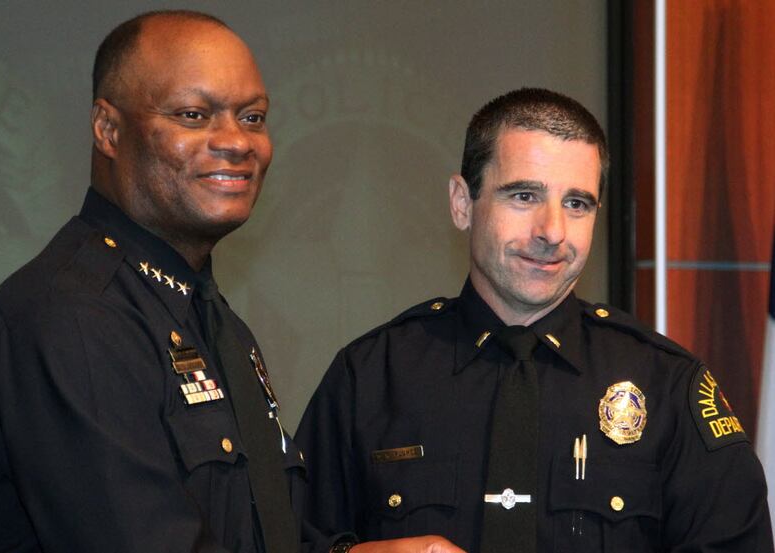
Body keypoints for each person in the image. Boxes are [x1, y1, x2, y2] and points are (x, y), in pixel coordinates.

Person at [295, 88, 774, 552]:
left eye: (576, 203)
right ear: (463, 203)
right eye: (524, 196)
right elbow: (290, 538)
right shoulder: (371, 377)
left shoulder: (669, 386)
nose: (552, 232)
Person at [0, 10, 331, 553]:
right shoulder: (73, 318)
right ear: (108, 129)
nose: (237, 142)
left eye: (252, 117)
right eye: (194, 114)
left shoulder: (212, 320)